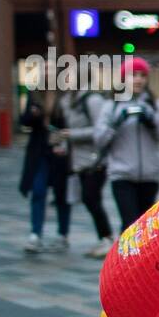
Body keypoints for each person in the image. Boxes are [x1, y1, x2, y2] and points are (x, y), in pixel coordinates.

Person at [94, 58, 159, 230]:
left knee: (145, 229)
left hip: (150, 176)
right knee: (130, 226)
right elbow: (99, 139)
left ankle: (143, 258)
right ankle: (124, 258)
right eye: (133, 75)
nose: (138, 79)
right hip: (122, 175)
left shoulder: (154, 103)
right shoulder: (111, 105)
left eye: (142, 75)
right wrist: (116, 123)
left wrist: (152, 120)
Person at [62, 83, 114, 257]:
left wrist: (73, 134)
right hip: (79, 161)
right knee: (89, 199)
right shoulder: (67, 100)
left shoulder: (92, 100)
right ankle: (105, 239)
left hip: (97, 160)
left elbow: (100, 130)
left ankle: (107, 238)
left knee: (90, 197)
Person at [18, 87, 72, 254]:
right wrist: (33, 115)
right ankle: (35, 234)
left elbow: (70, 122)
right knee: (38, 190)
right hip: (39, 152)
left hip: (59, 151)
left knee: (61, 193)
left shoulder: (65, 94)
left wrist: (64, 142)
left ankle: (62, 234)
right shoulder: (34, 94)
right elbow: (24, 121)